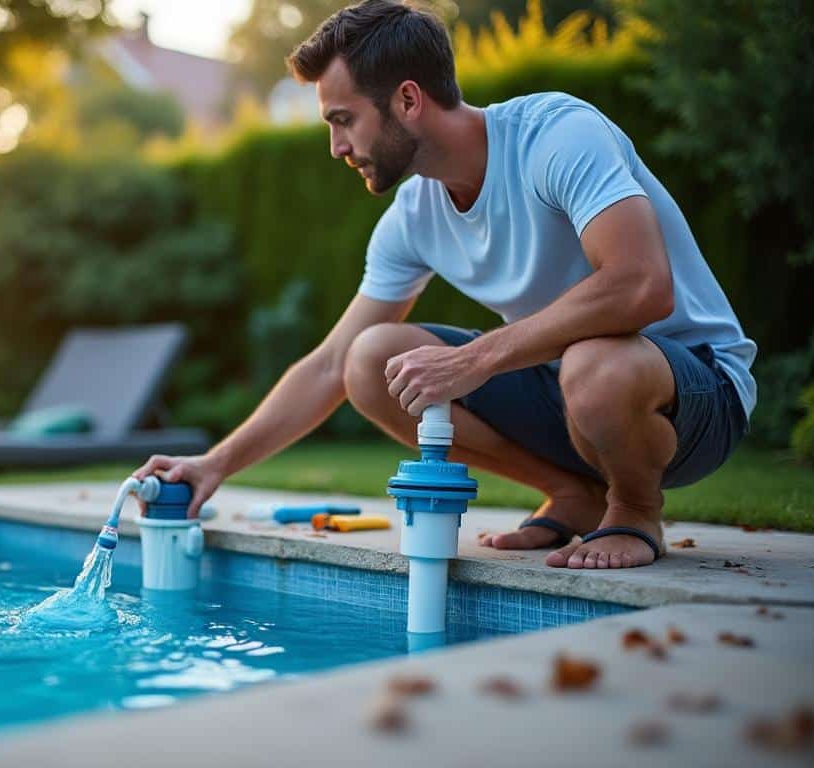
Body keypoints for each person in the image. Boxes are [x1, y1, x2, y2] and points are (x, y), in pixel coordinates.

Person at [133, 0, 755, 570]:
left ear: (407, 100)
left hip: (696, 389)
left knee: (595, 364)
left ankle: (634, 509)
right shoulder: (414, 215)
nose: (335, 146)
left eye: (344, 120)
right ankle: (571, 493)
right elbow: (328, 367)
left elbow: (642, 285)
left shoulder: (556, 135)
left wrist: (476, 358)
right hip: (571, 388)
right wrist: (215, 464)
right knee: (369, 358)